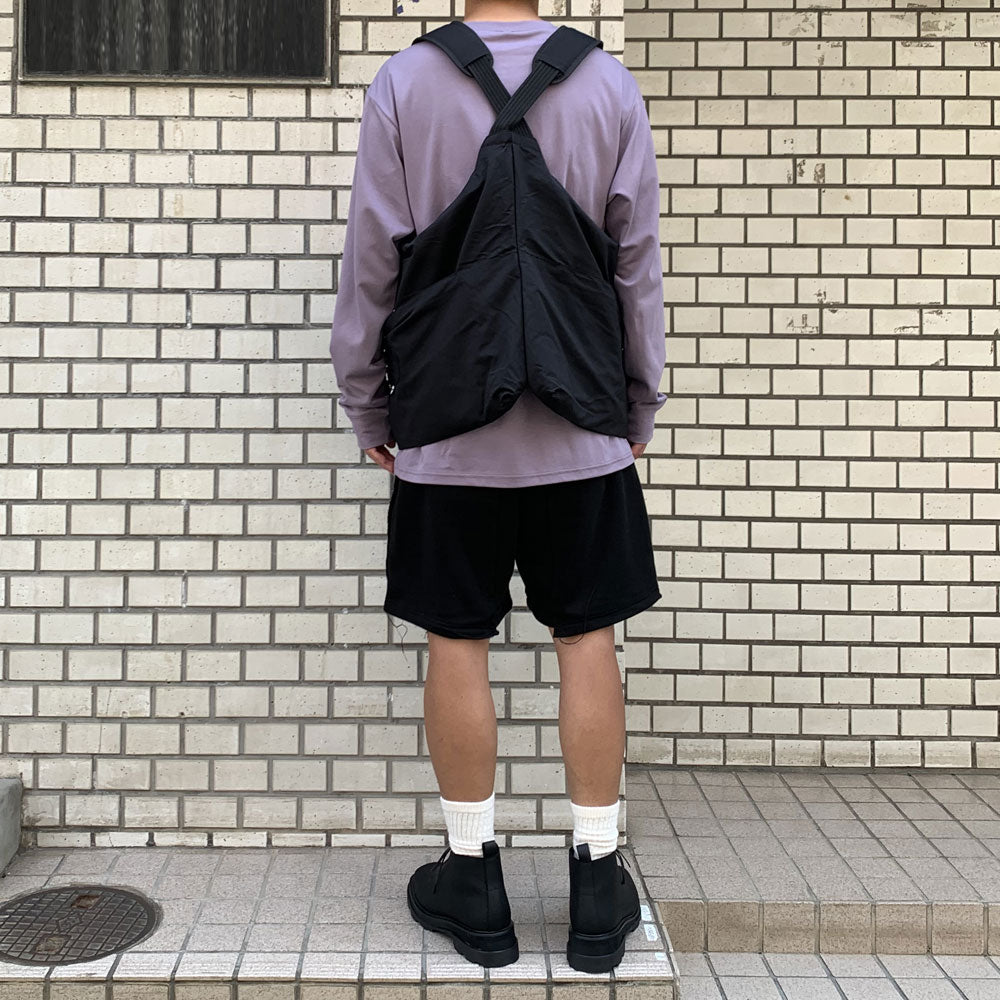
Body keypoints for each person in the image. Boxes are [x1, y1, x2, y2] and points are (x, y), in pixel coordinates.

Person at [329, 0, 666, 972]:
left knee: (456, 642)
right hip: (581, 429)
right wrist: (635, 403)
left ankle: (474, 879)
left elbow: (372, 262)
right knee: (587, 638)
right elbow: (635, 264)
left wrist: (369, 405)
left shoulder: (406, 83)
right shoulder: (606, 83)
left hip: (447, 426)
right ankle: (595, 885)